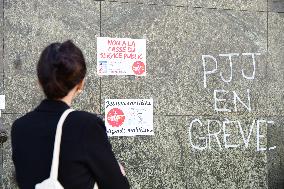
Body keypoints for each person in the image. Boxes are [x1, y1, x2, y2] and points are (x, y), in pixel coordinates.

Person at [11, 40, 130, 189]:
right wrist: (121, 173)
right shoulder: (86, 126)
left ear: (39, 82)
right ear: (81, 84)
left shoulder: (19, 127)